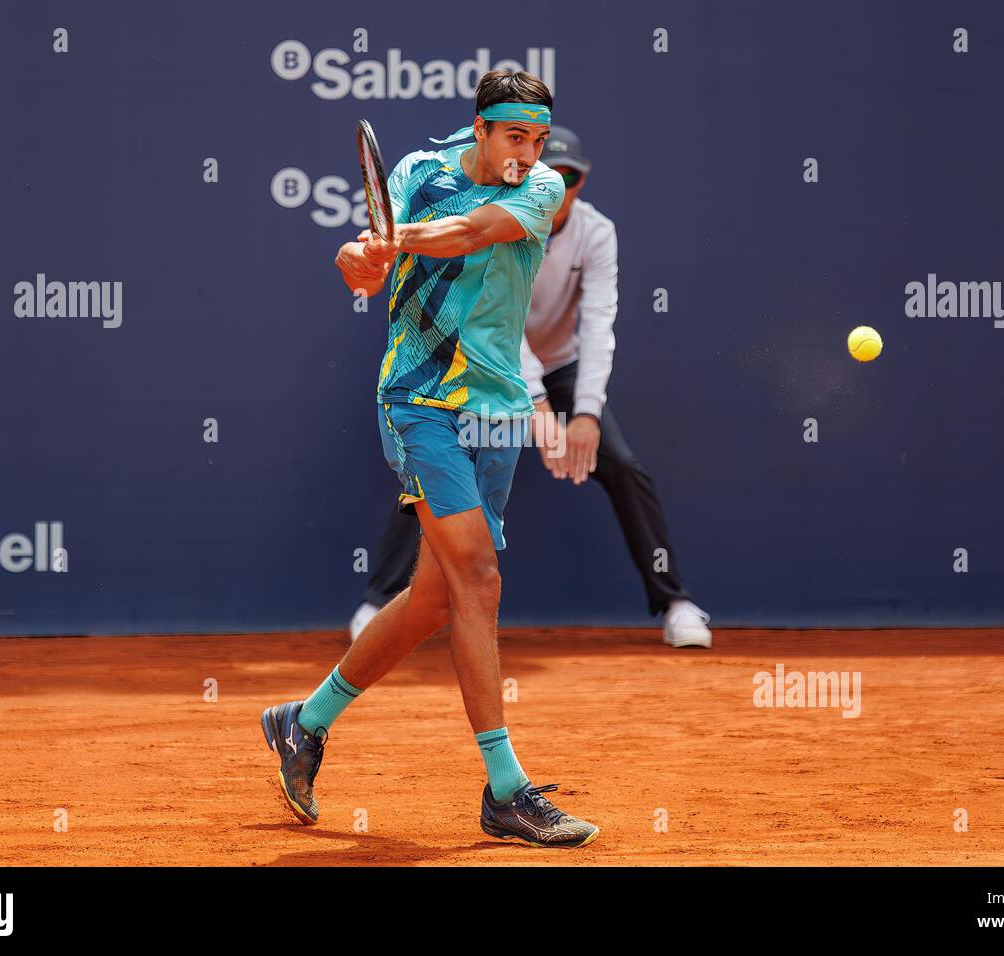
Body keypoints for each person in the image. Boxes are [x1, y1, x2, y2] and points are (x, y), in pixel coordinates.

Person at [260, 71, 599, 849]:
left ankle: (301, 724)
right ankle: (506, 789)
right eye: (515, 136)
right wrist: (360, 260)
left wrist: (389, 238)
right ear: (479, 128)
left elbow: (471, 233)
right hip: (419, 402)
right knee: (478, 575)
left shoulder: (540, 188)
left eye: (539, 139)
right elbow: (373, 271)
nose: (529, 153)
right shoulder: (417, 172)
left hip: (497, 410)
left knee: (433, 603)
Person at [350, 126, 713, 649]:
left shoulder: (597, 233)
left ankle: (676, 603)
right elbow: (497, 320)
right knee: (432, 470)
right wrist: (535, 404)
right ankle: (377, 602)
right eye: (552, 175)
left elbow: (599, 323)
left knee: (624, 467)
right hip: (480, 360)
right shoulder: (499, 220)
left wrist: (584, 413)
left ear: (582, 181)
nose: (560, 186)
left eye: (572, 176)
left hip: (562, 367)